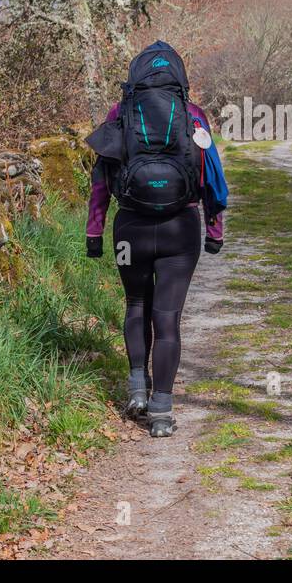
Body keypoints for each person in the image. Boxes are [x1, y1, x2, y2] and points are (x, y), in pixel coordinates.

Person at [85, 41, 228, 437]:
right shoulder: (193, 115)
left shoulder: (121, 113)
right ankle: (162, 412)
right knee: (167, 318)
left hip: (130, 228)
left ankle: (137, 390)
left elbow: (101, 180)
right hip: (180, 228)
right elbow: (210, 175)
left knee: (136, 304)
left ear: (135, 78)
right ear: (180, 79)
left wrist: (93, 231)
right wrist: (214, 229)